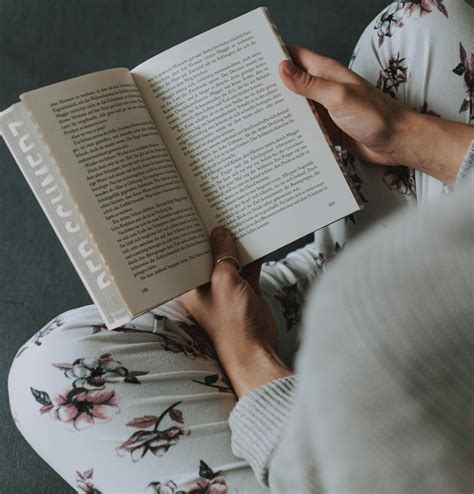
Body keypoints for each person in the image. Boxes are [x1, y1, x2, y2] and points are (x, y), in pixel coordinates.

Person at [8, 1, 473, 492]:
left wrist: (247, 352)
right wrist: (402, 135)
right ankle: (334, 274)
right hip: (393, 291)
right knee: (424, 24)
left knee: (56, 374)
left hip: (358, 445)